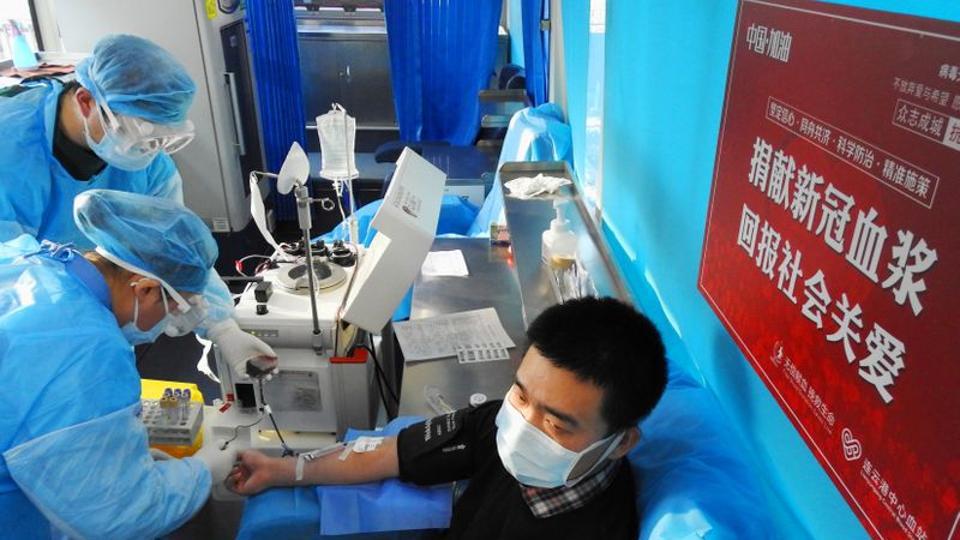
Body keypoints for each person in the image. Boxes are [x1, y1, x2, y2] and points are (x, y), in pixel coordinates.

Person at [228, 297, 669, 539]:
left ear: (622, 442)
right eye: (520, 392)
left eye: (555, 425)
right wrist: (285, 470)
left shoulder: (596, 529)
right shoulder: (503, 421)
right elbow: (392, 454)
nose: (521, 427)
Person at [0, 33, 276, 379]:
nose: (149, 149)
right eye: (140, 132)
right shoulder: (10, 152)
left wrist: (222, 328)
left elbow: (175, 253)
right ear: (85, 101)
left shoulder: (147, 162)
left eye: (161, 138)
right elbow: (11, 277)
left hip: (103, 303)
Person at [0, 190, 241, 539]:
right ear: (144, 290)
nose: (172, 323)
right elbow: (119, 516)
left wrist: (120, 455)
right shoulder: (87, 351)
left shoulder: (31, 260)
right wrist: (202, 471)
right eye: (177, 307)